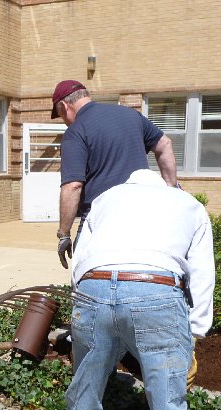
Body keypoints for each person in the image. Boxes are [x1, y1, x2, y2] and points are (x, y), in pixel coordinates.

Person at [58, 169, 214, 410]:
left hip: (93, 289)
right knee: (167, 404)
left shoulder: (105, 200)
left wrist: (84, 304)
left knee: (84, 393)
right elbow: (203, 272)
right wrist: (196, 329)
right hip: (156, 291)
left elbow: (80, 259)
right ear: (164, 184)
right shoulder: (188, 204)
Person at [51, 79, 179, 268]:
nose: (64, 121)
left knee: (86, 280)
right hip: (145, 215)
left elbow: (73, 185)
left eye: (60, 115)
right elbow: (165, 144)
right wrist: (171, 189)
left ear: (64, 105)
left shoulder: (76, 131)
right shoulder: (130, 116)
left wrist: (64, 233)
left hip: (101, 222)